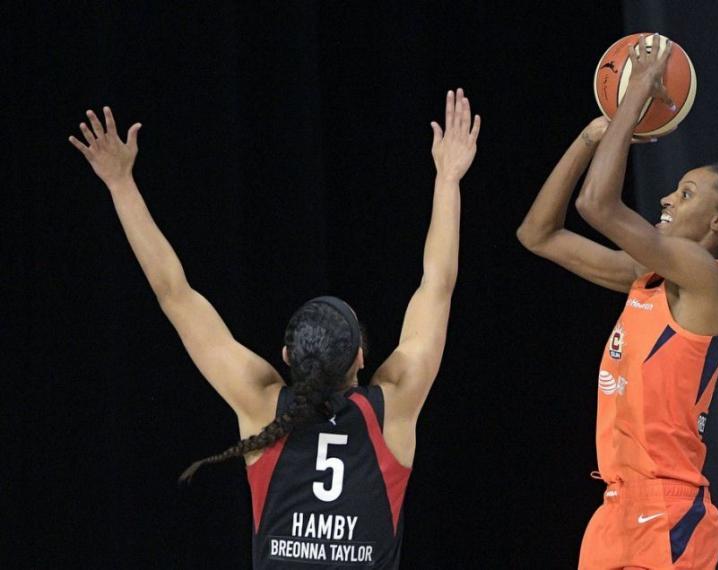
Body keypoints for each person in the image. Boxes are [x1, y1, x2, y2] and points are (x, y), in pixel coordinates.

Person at [69, 88, 481, 569]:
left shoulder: (261, 406)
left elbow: (174, 294)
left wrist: (120, 183)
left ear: (285, 359)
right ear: (363, 359)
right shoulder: (394, 408)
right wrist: (448, 178)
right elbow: (438, 284)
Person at [517, 35, 718, 570]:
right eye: (675, 188)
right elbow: (538, 234)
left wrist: (639, 91)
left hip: (669, 510)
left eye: (687, 195)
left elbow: (598, 204)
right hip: (616, 507)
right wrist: (589, 136)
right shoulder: (645, 276)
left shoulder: (709, 280)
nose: (667, 198)